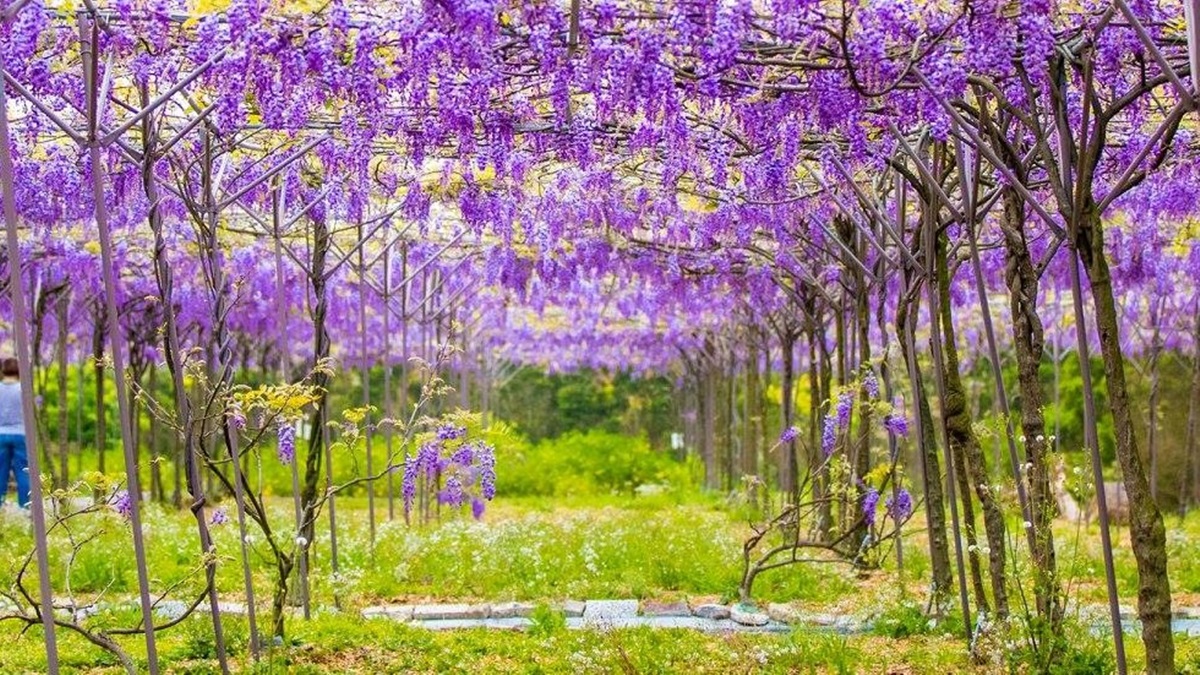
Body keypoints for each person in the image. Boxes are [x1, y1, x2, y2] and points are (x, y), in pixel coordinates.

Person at [0, 357, 29, 508]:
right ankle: (25, 507)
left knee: (0, 472)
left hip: (0, 434)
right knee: (23, 472)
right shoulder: (22, 389)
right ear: (18, 371)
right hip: (20, 433)